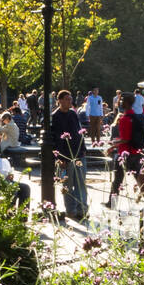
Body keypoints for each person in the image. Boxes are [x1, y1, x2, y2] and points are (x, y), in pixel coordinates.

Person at [49, 90, 88, 220]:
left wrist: (83, 149)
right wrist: (60, 158)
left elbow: (78, 131)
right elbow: (56, 139)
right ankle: (70, 210)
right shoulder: (55, 116)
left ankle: (82, 209)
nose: (69, 101)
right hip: (65, 157)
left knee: (80, 183)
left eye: (70, 99)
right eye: (66, 99)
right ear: (59, 100)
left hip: (78, 154)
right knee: (67, 184)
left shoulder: (73, 113)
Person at [109, 97, 144, 207]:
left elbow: (126, 138)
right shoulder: (138, 117)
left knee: (117, 180)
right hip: (136, 152)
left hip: (124, 153)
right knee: (139, 178)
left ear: (126, 103)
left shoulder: (124, 119)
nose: (119, 102)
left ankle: (112, 203)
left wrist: (113, 145)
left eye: (121, 100)